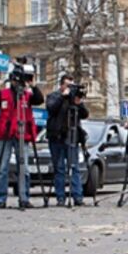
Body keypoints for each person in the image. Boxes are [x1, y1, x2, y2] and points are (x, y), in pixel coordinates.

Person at [0, 70, 44, 208]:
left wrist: (34, 86)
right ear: (10, 81)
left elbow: (39, 100)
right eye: (15, 81)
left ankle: (24, 197)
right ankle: (1, 199)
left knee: (24, 168)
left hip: (22, 133)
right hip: (5, 134)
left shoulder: (26, 95)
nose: (18, 84)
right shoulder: (3, 94)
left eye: (20, 81)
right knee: (3, 168)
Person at [45, 74, 89, 207]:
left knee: (74, 167)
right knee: (59, 168)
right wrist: (63, 97)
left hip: (72, 137)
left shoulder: (74, 99)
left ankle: (77, 196)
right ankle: (60, 197)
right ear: (62, 85)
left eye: (72, 85)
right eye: (68, 85)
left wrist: (79, 103)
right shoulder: (54, 96)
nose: (70, 88)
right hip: (57, 137)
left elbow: (85, 114)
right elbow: (51, 109)